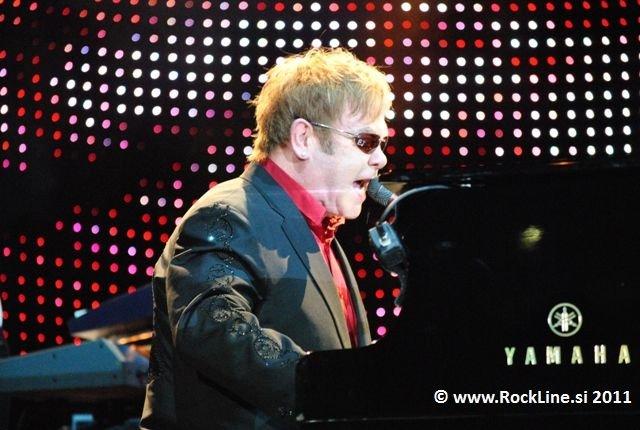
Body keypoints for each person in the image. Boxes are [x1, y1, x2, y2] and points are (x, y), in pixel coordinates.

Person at [140, 47, 392, 429]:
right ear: (304, 138)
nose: (380, 160)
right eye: (366, 142)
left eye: (382, 144)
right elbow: (213, 328)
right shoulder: (226, 212)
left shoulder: (321, 234)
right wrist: (332, 384)